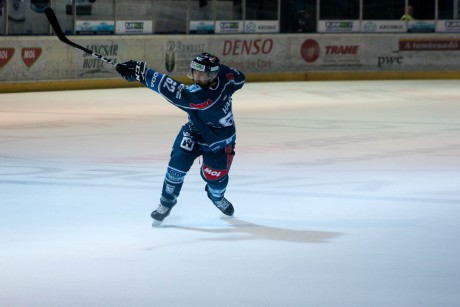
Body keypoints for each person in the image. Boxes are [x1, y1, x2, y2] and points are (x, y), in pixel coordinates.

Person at [115, 53, 245, 225]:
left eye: (202, 74)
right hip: (194, 131)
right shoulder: (225, 74)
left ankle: (216, 196)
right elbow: (239, 79)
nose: (197, 77)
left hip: (219, 142)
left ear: (213, 75)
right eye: (195, 72)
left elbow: (173, 89)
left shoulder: (202, 97)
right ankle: (166, 203)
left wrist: (142, 73)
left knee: (214, 177)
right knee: (176, 166)